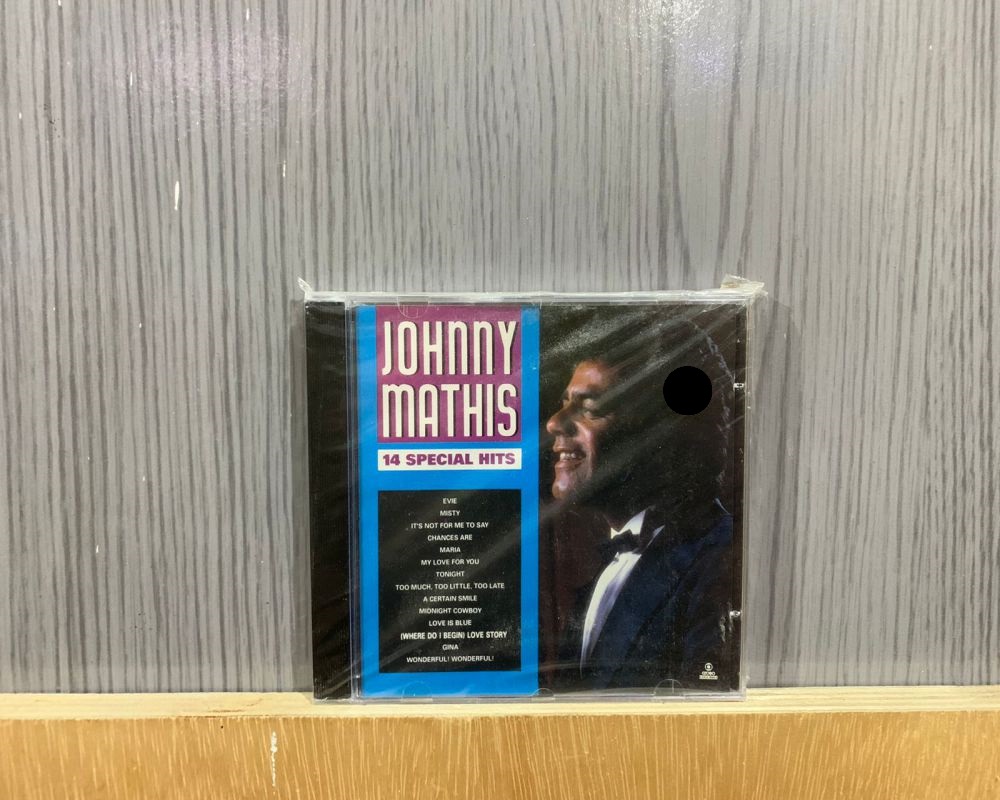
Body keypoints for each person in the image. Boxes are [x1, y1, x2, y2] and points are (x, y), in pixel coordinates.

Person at [544, 311, 739, 691]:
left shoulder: (718, 561)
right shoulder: (608, 569)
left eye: (590, 408)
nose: (554, 422)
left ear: (661, 432)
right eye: (565, 402)